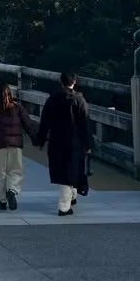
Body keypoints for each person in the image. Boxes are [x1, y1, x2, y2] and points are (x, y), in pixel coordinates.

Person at [35, 71, 92, 215]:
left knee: (65, 172)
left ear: (61, 82)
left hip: (56, 141)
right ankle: (64, 207)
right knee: (70, 173)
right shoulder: (79, 100)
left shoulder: (52, 99)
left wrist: (41, 139)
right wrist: (88, 144)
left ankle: (72, 195)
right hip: (74, 143)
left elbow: (44, 121)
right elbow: (84, 124)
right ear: (75, 82)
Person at [0, 81, 36, 211]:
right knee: (15, 171)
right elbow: (28, 125)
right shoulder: (17, 108)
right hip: (15, 144)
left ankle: (2, 201)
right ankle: (12, 190)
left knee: (1, 173)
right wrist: (35, 138)